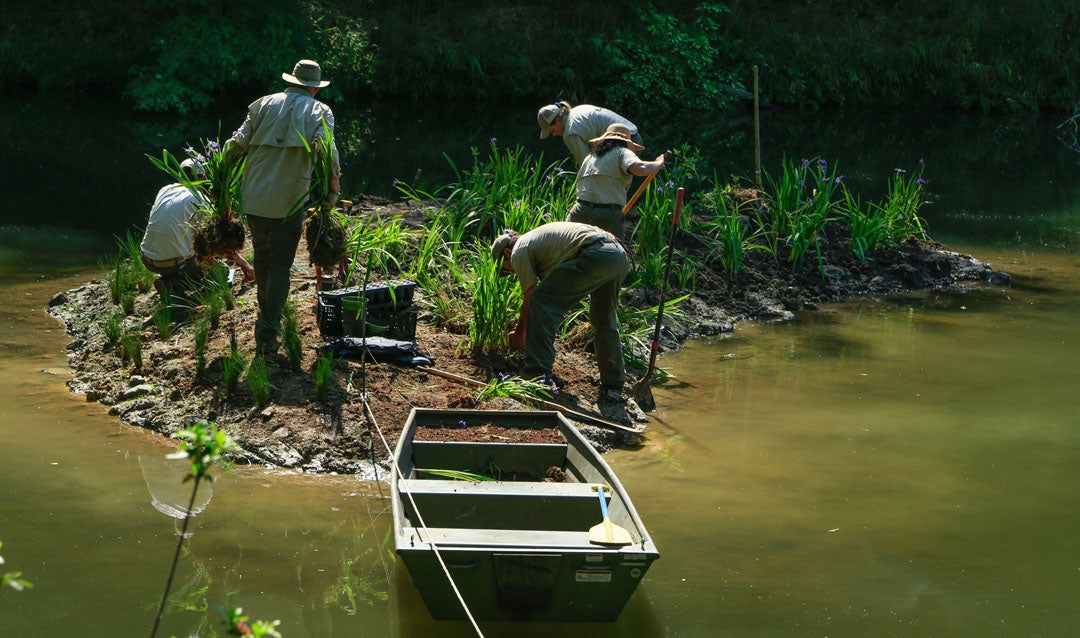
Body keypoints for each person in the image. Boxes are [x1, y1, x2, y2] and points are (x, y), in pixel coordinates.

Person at [226, 59, 341, 355]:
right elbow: (329, 156)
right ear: (315, 87)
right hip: (289, 203)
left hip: (252, 198)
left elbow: (235, 145)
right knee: (279, 264)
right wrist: (331, 196)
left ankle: (266, 314)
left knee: (263, 258)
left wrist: (219, 185)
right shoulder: (320, 111)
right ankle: (268, 330)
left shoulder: (263, 104)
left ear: (291, 81)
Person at [491, 221, 630, 404]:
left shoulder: (519, 251)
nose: (513, 273)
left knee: (540, 302)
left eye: (507, 270)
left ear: (507, 254)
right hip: (617, 254)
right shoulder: (539, 243)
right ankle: (613, 385)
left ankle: (536, 374)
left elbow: (533, 296)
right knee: (603, 319)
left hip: (595, 253)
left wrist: (520, 333)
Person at [140, 158, 254, 306]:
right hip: (174, 264)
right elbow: (213, 241)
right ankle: (175, 286)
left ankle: (170, 280)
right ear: (202, 178)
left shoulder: (165, 190)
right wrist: (245, 264)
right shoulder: (200, 200)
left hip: (148, 259)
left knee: (189, 253)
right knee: (222, 272)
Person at [568, 123, 667, 240]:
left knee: (571, 253)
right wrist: (658, 163)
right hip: (606, 216)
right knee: (614, 255)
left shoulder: (590, 157)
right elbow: (640, 168)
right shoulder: (622, 152)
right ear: (626, 142)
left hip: (578, 212)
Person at [537, 101, 643, 167]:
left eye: (553, 131)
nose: (554, 135)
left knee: (611, 189)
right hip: (634, 136)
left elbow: (586, 165)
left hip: (625, 143)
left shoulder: (570, 133)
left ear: (558, 120)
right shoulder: (577, 110)